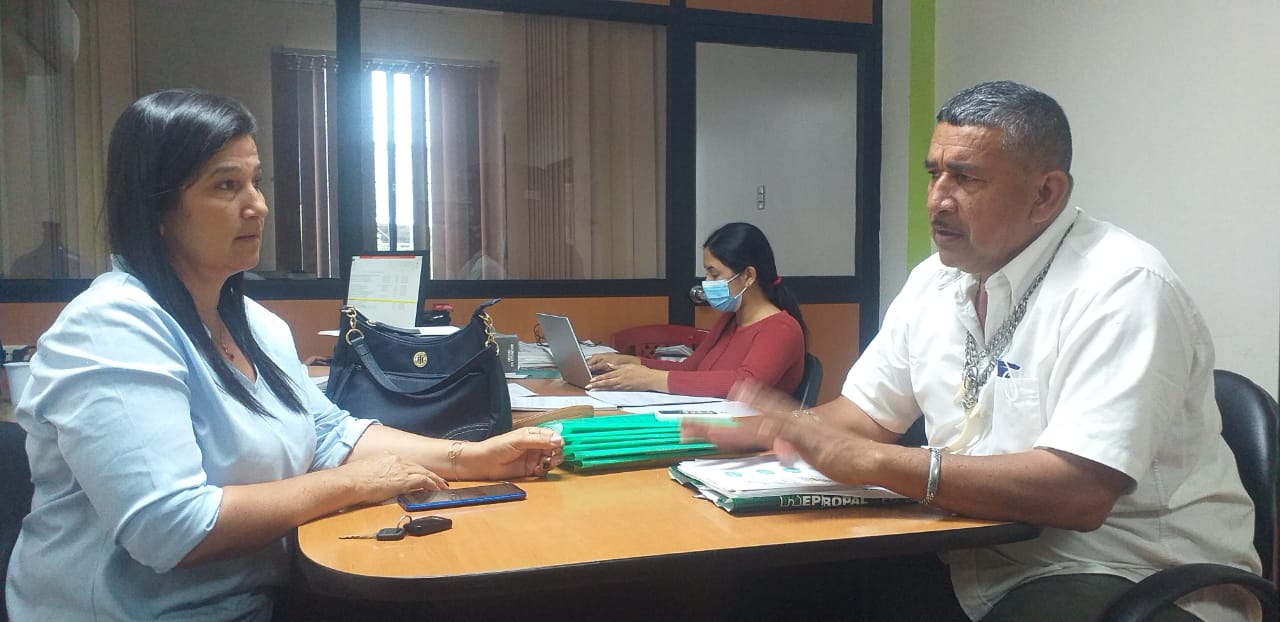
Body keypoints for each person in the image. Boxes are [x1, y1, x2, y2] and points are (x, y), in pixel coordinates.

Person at [684, 81, 1260, 621]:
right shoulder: (934, 281)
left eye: (965, 178)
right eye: (933, 173)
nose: (938, 199)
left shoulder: (1122, 286)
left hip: (1125, 571)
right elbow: (866, 416)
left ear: (1045, 193)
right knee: (775, 587)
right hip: (971, 548)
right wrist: (772, 430)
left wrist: (875, 463)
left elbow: (1078, 494)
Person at [4, 90, 564, 621]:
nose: (257, 206)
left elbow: (329, 435)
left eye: (256, 182)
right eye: (226, 186)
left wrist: (471, 459)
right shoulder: (111, 327)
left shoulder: (253, 323)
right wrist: (354, 485)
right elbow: (171, 528)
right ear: (158, 209)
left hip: (258, 597)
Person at [585, 222, 806, 398]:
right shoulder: (731, 319)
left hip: (748, 434)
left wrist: (650, 379)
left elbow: (745, 384)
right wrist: (629, 363)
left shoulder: (781, 328)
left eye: (714, 274)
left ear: (748, 276)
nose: (707, 282)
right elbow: (691, 368)